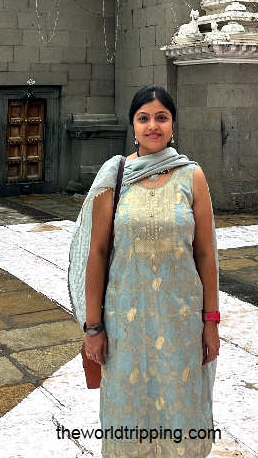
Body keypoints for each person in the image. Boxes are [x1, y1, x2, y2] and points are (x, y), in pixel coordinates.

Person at [68, 86, 218, 457]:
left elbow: (205, 253)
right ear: (133, 125)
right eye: (144, 118)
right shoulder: (115, 176)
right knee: (127, 415)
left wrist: (211, 321)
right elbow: (98, 252)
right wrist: (92, 327)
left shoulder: (192, 176)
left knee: (182, 413)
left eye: (161, 117)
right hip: (124, 327)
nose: (153, 126)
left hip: (181, 322)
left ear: (172, 124)